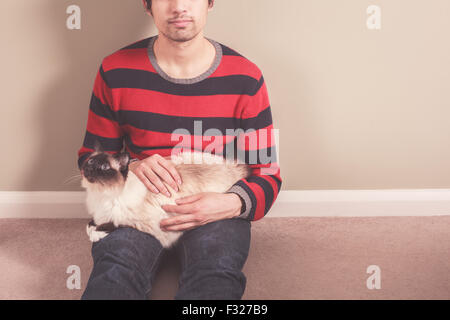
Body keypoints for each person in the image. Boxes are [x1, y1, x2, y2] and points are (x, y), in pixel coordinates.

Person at [77, 0, 282, 300]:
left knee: (216, 274)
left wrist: (231, 204)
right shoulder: (115, 70)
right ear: (147, 6)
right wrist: (132, 166)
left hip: (214, 204)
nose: (179, 6)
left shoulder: (246, 77)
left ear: (210, 3)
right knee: (116, 269)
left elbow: (268, 175)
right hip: (138, 204)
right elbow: (89, 160)